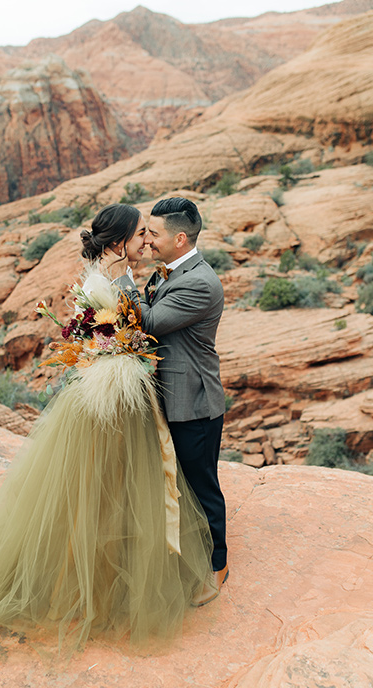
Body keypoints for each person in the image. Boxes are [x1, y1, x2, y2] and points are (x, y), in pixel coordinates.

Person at [0, 203, 213, 658]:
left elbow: (113, 331)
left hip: (120, 392)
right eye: (140, 234)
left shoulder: (116, 274)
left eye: (150, 234)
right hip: (111, 398)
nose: (147, 241)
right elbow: (112, 334)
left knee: (112, 483)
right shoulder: (107, 280)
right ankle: (84, 576)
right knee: (104, 482)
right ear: (119, 242)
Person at [140, 197, 228, 607]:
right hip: (169, 395)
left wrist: (120, 279)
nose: (147, 240)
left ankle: (217, 567)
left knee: (201, 485)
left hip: (194, 403)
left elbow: (153, 322)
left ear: (179, 238)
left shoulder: (199, 282)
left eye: (154, 233)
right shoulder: (171, 271)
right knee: (177, 484)